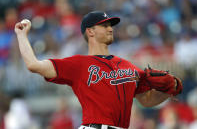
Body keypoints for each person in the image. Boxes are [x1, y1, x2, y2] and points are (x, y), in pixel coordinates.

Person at [15, 11, 177, 129]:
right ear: (90, 31)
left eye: (110, 25)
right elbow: (33, 65)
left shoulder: (129, 66)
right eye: (105, 25)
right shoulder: (78, 64)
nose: (110, 29)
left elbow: (146, 100)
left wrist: (169, 90)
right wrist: (22, 35)